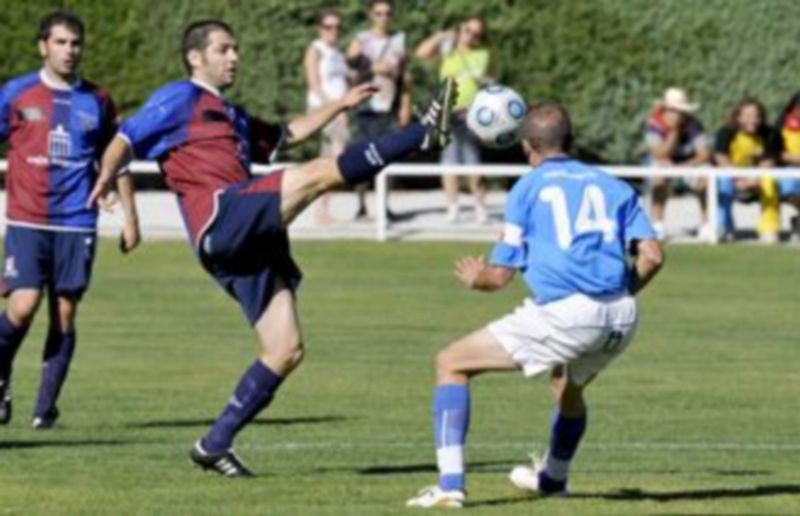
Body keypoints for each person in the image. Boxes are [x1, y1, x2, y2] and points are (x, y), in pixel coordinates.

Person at [89, 19, 455, 477]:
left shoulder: (232, 115)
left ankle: (213, 444)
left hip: (248, 239)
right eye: (223, 49)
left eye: (236, 48)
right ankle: (422, 134)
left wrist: (339, 104)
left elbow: (286, 134)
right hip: (221, 217)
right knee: (316, 175)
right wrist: (106, 178)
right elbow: (124, 140)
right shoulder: (179, 97)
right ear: (195, 57)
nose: (234, 57)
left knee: (286, 349)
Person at [406, 102, 664, 508]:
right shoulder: (613, 185)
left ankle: (449, 487)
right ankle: (553, 481)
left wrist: (477, 278)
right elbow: (653, 256)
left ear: (528, 146)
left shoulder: (526, 189)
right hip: (622, 316)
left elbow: (499, 277)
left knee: (451, 362)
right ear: (570, 141)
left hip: (569, 314)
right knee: (566, 387)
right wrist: (618, 294)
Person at [0, 10, 140, 429]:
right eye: (60, 42)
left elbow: (118, 159)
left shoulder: (98, 100)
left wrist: (131, 219)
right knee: (22, 305)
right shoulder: (16, 93)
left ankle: (45, 410)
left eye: (75, 43)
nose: (69, 50)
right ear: (43, 46)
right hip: (27, 218)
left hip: (77, 220)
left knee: (64, 312)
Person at [416, 15, 492, 224]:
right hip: (448, 111)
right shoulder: (447, 51)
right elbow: (421, 53)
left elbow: (488, 82)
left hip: (471, 113)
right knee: (449, 160)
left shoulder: (483, 54)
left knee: (473, 160)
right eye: (468, 30)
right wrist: (442, 35)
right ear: (461, 28)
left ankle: (480, 206)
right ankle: (453, 206)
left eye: (476, 34)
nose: (471, 36)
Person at [347, 0, 412, 220]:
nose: (383, 17)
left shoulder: (399, 39)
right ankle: (361, 205)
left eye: (387, 13)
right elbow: (350, 64)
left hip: (389, 105)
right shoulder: (361, 39)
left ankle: (384, 205)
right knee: (363, 156)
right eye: (379, 13)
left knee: (389, 156)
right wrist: (374, 67)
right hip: (365, 106)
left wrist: (406, 104)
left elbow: (405, 76)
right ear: (371, 15)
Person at [644, 87, 711, 240]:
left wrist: (687, 166)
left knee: (705, 178)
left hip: (689, 163)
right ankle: (658, 225)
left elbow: (704, 153)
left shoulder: (693, 124)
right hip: (663, 163)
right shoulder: (653, 125)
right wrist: (674, 132)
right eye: (674, 110)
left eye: (680, 111)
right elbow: (659, 153)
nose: (678, 115)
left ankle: (706, 225)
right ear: (665, 109)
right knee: (658, 177)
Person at [303, 8, 350, 225]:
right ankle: (319, 205)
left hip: (338, 109)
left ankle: (322, 207)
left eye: (337, 27)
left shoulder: (337, 52)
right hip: (324, 109)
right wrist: (334, 109)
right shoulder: (316, 49)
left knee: (328, 159)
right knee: (335, 158)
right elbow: (315, 84)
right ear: (319, 28)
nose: (334, 31)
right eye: (328, 27)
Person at [714, 97, 780, 242]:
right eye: (748, 116)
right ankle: (724, 228)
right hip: (733, 177)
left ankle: (769, 229)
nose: (753, 120)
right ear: (738, 117)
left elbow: (769, 160)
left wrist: (754, 179)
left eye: (757, 116)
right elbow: (721, 157)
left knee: (769, 181)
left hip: (758, 178)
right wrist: (737, 178)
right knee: (723, 182)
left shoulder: (770, 133)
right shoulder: (726, 132)